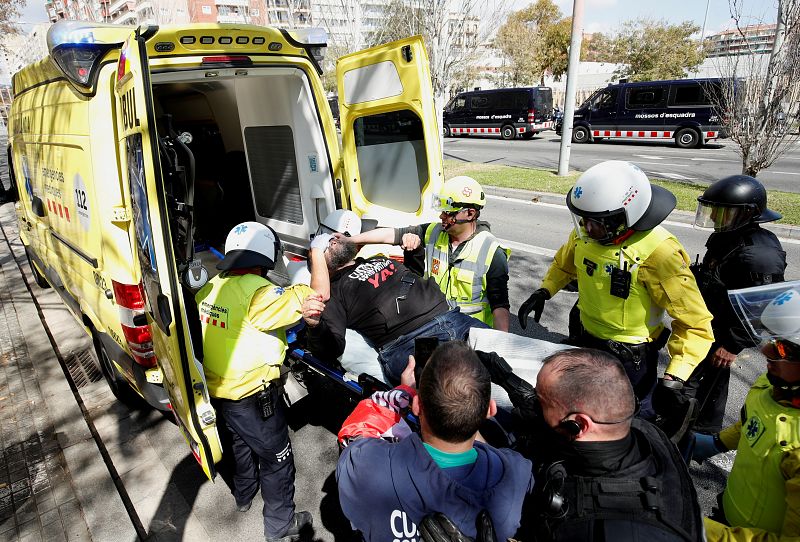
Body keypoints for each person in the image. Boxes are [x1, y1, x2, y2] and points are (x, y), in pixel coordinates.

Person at [518, 160, 714, 426]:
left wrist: (675, 376)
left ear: (625, 216)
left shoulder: (659, 254)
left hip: (629, 360)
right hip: (586, 340)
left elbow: (695, 323)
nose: (586, 228)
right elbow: (564, 264)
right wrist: (545, 290)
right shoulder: (587, 234)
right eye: (583, 220)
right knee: (579, 412)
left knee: (625, 423)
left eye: (596, 223)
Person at [478, 347, 705, 541]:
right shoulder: (641, 432)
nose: (536, 404)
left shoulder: (596, 529)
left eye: (542, 402)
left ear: (579, 424)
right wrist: (516, 387)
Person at [195, 221, 330, 542]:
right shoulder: (260, 296)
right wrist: (316, 254)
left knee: (240, 445)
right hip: (256, 397)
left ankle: (244, 495)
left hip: (222, 392)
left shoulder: (210, 288)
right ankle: (280, 526)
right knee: (277, 460)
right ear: (264, 259)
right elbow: (317, 295)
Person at [335, 341, 534, 541]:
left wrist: (404, 390)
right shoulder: (517, 473)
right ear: (490, 410)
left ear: (416, 406)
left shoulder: (364, 465)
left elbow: (355, 436)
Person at [302, 210, 489, 384]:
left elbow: (412, 276)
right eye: (321, 248)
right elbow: (330, 348)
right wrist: (315, 325)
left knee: (511, 361)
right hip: (416, 339)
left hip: (453, 318)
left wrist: (413, 251)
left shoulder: (378, 259)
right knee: (460, 388)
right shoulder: (335, 291)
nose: (329, 241)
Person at [693, 281, 800, 541]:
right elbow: (754, 418)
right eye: (769, 339)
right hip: (727, 511)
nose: (764, 350)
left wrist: (716, 535)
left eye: (781, 347)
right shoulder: (775, 384)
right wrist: (715, 443)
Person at [346, 176, 511, 330]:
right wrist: (349, 240)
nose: (441, 216)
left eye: (448, 211)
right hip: (433, 325)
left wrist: (498, 349)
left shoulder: (491, 252)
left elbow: (500, 307)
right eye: (442, 209)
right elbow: (391, 234)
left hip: (469, 334)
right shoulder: (433, 232)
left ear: (470, 214)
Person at [687, 175, 786, 434]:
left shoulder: (759, 254)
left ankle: (698, 436)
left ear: (747, 214)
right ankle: (692, 428)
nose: (716, 218)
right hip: (709, 321)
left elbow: (762, 306)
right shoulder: (727, 236)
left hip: (725, 332)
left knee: (707, 386)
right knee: (696, 382)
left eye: (723, 212)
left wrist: (731, 346)